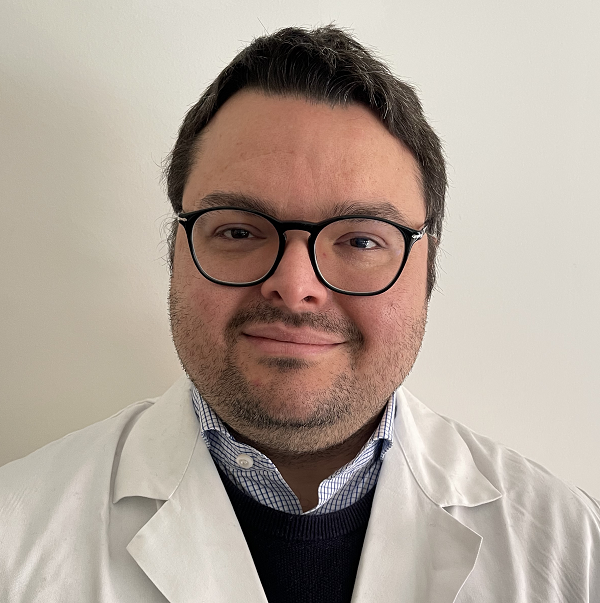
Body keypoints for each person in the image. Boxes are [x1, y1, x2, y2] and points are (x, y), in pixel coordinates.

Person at [0, 25, 598, 603]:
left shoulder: (571, 548)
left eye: (360, 240)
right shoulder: (15, 535)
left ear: (428, 267)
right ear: (175, 251)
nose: (293, 286)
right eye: (239, 231)